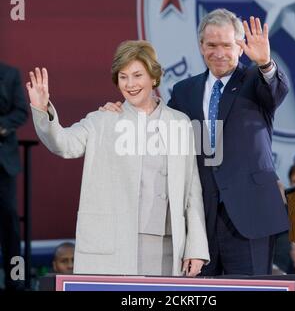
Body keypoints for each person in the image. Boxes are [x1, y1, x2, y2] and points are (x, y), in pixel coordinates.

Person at [102, 9, 289, 276]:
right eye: (211, 45)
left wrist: (266, 64)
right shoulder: (184, 90)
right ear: (201, 46)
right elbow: (159, 125)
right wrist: (123, 113)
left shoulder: (254, 80)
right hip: (201, 217)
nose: (219, 52)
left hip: (250, 213)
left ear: (240, 46)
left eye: (227, 45)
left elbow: (276, 92)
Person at [26, 40, 209, 277]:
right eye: (123, 77)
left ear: (154, 77)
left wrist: (196, 247)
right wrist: (43, 110)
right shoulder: (103, 119)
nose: (130, 84)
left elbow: (192, 190)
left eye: (137, 75)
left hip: (168, 246)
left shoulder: (180, 123)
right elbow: (63, 144)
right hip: (115, 247)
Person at [0, 62, 28, 290]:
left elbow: (21, 111)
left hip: (3, 162)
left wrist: (1, 126)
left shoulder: (9, 74)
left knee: (9, 219)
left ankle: (15, 280)